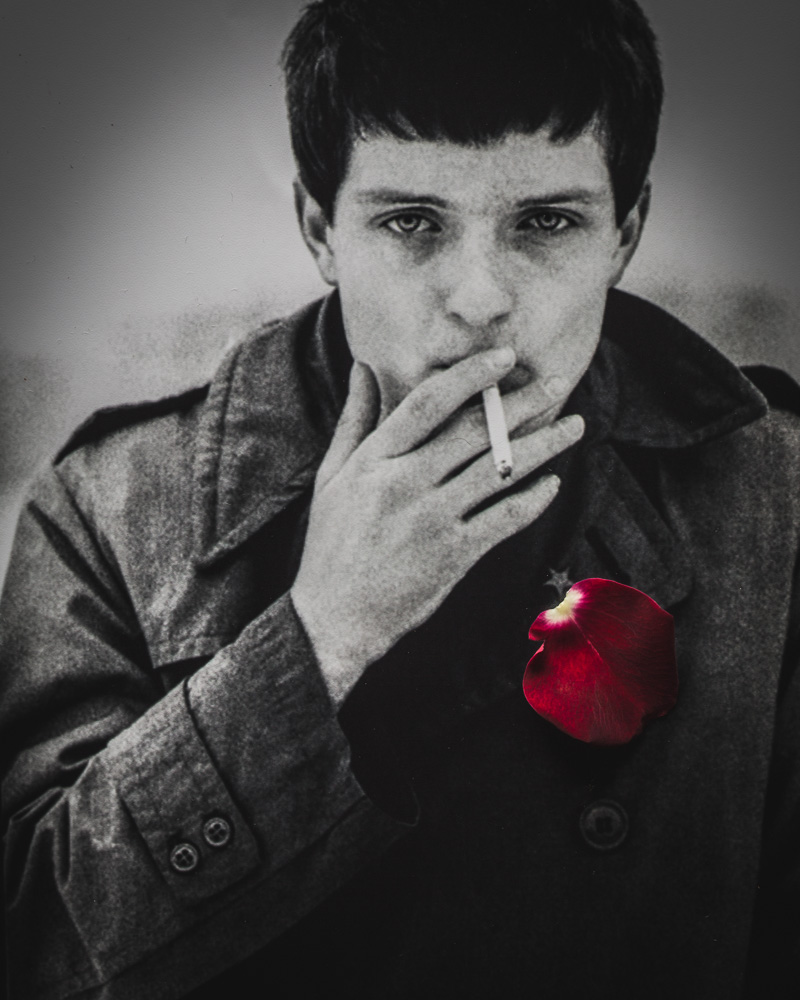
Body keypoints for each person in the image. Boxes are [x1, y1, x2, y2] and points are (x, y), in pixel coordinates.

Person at [2, 0, 799, 996]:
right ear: (319, 230)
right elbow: (31, 948)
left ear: (623, 232)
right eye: (411, 222)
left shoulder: (768, 494)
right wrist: (319, 631)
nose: (476, 296)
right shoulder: (111, 511)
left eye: (545, 221)